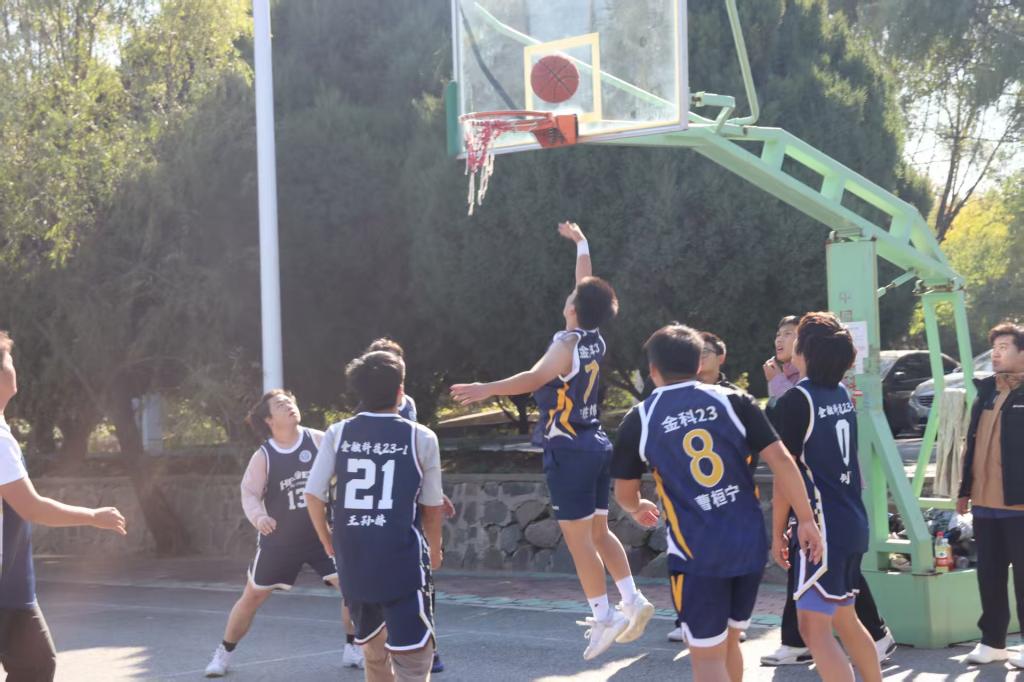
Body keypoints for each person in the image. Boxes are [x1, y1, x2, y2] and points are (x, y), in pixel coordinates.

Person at [450, 221, 654, 660]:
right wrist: (582, 243)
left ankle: (604, 616)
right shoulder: (594, 336)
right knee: (599, 531)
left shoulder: (567, 344)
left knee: (579, 540)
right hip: (595, 442)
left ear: (574, 308)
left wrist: (485, 389)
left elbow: (533, 378)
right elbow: (586, 284)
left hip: (568, 449)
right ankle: (632, 598)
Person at [612, 323, 822, 682]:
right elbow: (783, 461)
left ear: (653, 370)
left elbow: (624, 492)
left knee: (706, 657)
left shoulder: (640, 419)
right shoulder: (735, 400)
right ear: (698, 363)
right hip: (747, 545)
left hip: (696, 553)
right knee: (729, 643)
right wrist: (805, 519)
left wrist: (636, 507)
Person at [306, 351, 445, 682]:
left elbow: (313, 494)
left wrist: (327, 540)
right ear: (400, 391)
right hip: (402, 562)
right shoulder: (421, 437)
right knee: (413, 661)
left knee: (373, 653)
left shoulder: (338, 433)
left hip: (354, 561)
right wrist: (435, 549)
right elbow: (432, 506)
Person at [205, 389, 362, 677]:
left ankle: (353, 647)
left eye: (290, 401)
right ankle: (224, 653)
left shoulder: (319, 440)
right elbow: (249, 493)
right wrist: (259, 517)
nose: (289, 405)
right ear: (268, 419)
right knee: (252, 597)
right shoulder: (264, 455)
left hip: (321, 535)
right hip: (280, 541)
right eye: (280, 404)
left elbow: (348, 472)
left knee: (353, 588)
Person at [0, 330, 127, 682]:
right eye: (8, 361)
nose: (13, 367)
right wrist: (93, 516)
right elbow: (32, 508)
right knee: (36, 666)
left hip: (11, 585)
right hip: (6, 583)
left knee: (36, 665)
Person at [769, 312, 881, 682]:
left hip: (823, 527)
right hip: (852, 521)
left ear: (805, 350)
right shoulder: (841, 394)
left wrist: (777, 533)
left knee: (813, 628)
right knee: (845, 620)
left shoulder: (796, 400)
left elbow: (785, 476)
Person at [364, 337, 454, 674]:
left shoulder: (409, 405)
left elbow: (420, 459)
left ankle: (428, 645)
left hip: (410, 507)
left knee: (421, 578)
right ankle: (374, 645)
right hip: (378, 510)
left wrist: (435, 493)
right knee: (375, 584)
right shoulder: (363, 414)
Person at [956, 321, 1024, 668]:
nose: (996, 354)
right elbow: (972, 444)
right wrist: (964, 490)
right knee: (989, 575)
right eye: (994, 348)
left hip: (1019, 503)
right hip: (984, 502)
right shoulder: (986, 392)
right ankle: (993, 642)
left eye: (1004, 347)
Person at [764, 316, 801, 407]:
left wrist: (777, 380)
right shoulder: (780, 374)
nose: (779, 340)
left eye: (787, 334)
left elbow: (797, 408)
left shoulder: (809, 376)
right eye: (778, 335)